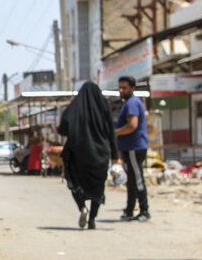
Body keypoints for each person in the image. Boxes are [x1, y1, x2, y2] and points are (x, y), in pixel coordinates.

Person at [58, 81, 114, 229]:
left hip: (77, 155)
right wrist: (115, 155)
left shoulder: (74, 108)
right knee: (97, 188)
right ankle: (92, 219)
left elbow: (62, 128)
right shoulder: (104, 108)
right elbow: (111, 132)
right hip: (99, 155)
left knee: (76, 184)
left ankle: (82, 207)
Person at [114, 75, 150, 221]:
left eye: (125, 88)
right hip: (129, 148)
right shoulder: (129, 103)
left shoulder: (133, 103)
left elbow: (132, 125)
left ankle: (144, 210)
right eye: (120, 87)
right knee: (132, 180)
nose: (121, 91)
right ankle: (129, 210)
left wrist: (114, 133)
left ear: (132, 89)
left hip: (135, 147)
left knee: (138, 179)